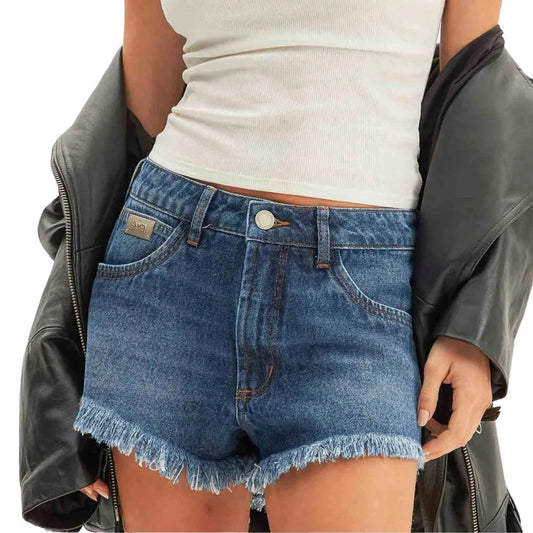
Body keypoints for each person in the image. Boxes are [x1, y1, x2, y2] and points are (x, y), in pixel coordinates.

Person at [73, 0, 502, 530]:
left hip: (361, 284)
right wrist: (71, 358)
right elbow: (138, 126)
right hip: (169, 264)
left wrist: (476, 326)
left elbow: (476, 104)